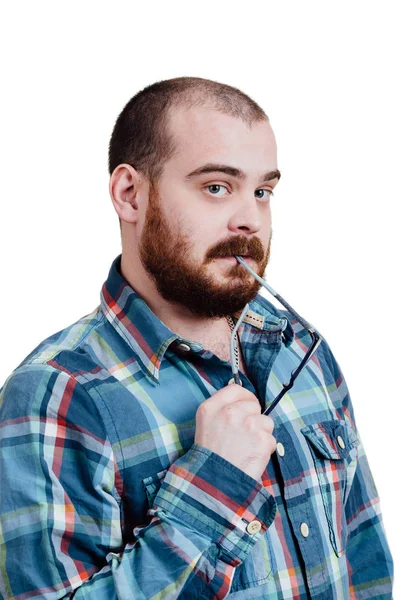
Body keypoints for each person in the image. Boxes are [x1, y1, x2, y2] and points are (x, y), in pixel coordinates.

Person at [0, 76, 393, 599]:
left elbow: (367, 571)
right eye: (216, 187)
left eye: (262, 191)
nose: (249, 219)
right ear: (130, 194)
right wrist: (215, 484)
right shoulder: (58, 394)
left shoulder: (302, 352)